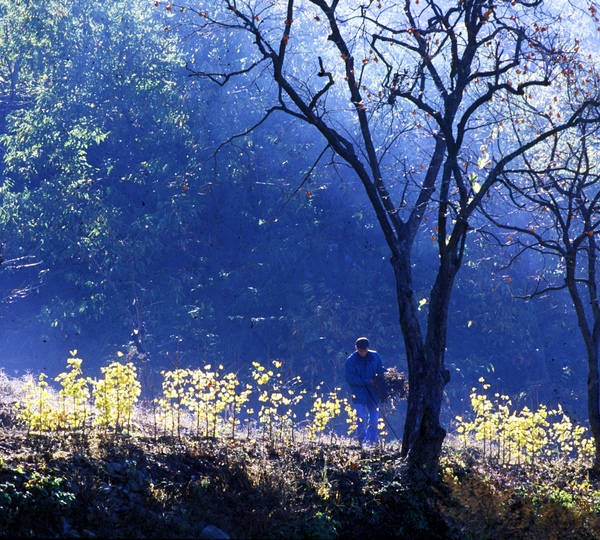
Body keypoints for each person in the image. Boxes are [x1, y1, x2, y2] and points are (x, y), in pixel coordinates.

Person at [345, 337, 385, 445]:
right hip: (359, 394)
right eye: (360, 351)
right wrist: (368, 381)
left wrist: (384, 376)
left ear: (368, 348)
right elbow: (350, 378)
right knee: (360, 418)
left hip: (373, 393)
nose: (363, 353)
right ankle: (362, 442)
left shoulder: (375, 356)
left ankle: (371, 442)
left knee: (374, 419)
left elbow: (381, 369)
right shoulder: (350, 361)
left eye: (365, 350)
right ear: (356, 348)